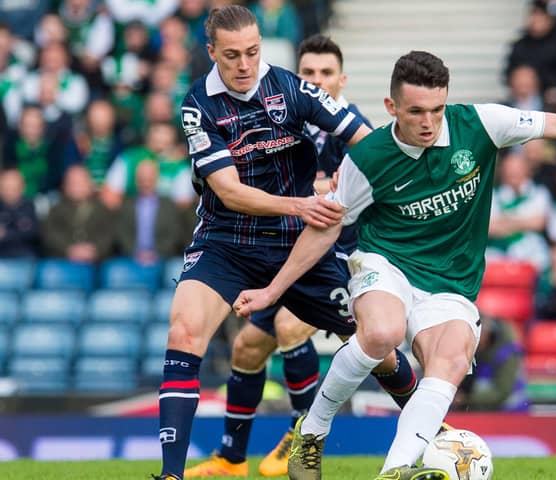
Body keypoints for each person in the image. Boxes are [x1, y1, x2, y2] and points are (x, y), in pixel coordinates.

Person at [233, 50, 556, 480]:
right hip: (386, 263)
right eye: (416, 112)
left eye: (437, 109)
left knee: (449, 360)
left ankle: (396, 471)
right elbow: (325, 229)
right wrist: (272, 292)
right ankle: (311, 433)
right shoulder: (368, 159)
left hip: (451, 283)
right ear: (392, 108)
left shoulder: (479, 124)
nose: (429, 122)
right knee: (383, 333)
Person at [152, 7, 416, 480]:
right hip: (226, 240)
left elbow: (366, 138)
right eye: (232, 55)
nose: (245, 65)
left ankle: (436, 431)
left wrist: (365, 172)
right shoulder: (198, 105)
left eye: (253, 52)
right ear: (212, 53)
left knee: (374, 342)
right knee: (184, 333)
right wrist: (300, 204)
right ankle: (173, 474)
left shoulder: (291, 88)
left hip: (298, 248)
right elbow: (229, 191)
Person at [454, 314, 528, 412]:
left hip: (513, 415)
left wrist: (466, 398)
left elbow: (502, 392)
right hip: (484, 414)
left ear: (489, 333)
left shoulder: (508, 354)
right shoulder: (475, 352)